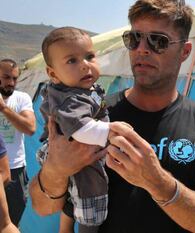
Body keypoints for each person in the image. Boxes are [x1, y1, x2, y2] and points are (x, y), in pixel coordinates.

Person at [29, 1, 195, 233]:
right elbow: (44, 208)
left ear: (185, 51)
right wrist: (55, 171)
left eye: (158, 41)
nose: (142, 49)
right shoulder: (95, 117)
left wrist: (156, 181)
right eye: (134, 39)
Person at [37, 27, 129, 231]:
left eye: (89, 56)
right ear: (53, 73)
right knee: (91, 192)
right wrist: (110, 132)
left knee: (75, 190)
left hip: (77, 149)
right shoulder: (69, 99)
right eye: (72, 61)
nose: (85, 65)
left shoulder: (82, 89)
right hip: (72, 149)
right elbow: (80, 129)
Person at [0, 59, 36, 226]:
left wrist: (4, 109)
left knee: (13, 222)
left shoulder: (22, 98)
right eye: (6, 77)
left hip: (15, 172)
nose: (11, 83)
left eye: (15, 79)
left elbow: (30, 128)